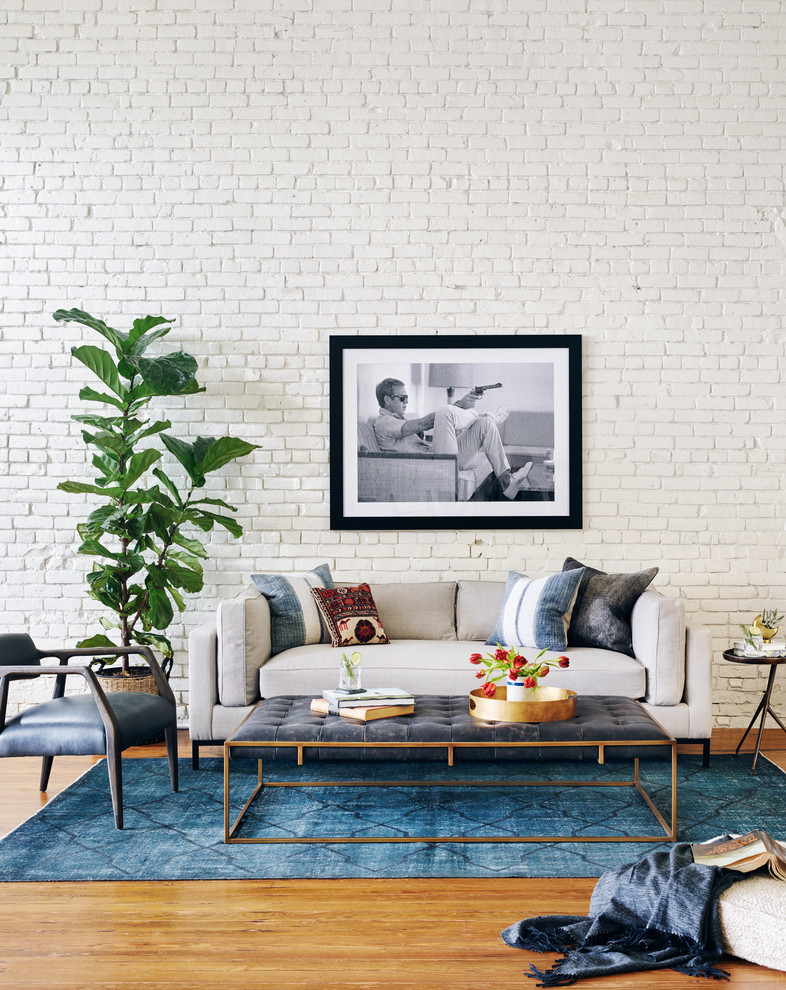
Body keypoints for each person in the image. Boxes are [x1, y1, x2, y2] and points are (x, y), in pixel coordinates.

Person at [371, 377, 532, 500]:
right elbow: (425, 423)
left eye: (407, 397)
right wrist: (460, 405)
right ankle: (483, 414)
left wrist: (460, 405)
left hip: (436, 457)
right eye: (402, 398)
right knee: (444, 412)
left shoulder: (401, 419)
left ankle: (508, 482)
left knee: (486, 424)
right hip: (432, 466)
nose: (407, 401)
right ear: (387, 399)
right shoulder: (384, 423)